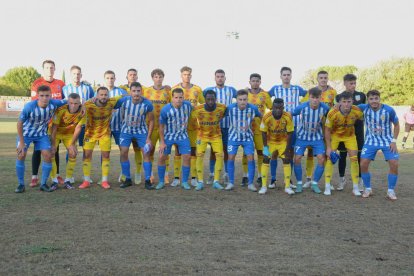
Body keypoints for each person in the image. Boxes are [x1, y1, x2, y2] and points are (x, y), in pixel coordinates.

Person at [15, 85, 66, 193]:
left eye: (47, 95)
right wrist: (21, 143)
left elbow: (69, 101)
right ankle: (21, 184)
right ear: (38, 96)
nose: (44, 98)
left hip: (41, 134)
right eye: (42, 95)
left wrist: (83, 105)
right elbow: (19, 123)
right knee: (21, 154)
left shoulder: (54, 103)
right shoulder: (29, 106)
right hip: (26, 134)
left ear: (50, 96)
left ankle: (43, 184)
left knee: (48, 155)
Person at [78, 87, 128, 189]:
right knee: (87, 156)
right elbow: (80, 106)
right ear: (97, 95)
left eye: (106, 95)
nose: (104, 97)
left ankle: (104, 181)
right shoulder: (89, 104)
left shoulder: (112, 101)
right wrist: (83, 105)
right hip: (90, 134)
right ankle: (86, 181)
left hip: (105, 134)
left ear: (108, 95)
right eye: (101, 94)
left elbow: (125, 95)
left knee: (106, 156)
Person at [268, 67, 307, 189]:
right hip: (277, 126)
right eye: (284, 74)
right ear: (280, 76)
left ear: (291, 76)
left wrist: (300, 107)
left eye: (288, 74)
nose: (286, 76)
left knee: (289, 153)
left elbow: (309, 95)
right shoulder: (276, 89)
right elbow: (264, 95)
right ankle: (273, 179)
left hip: (293, 125)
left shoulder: (297, 89)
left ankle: (288, 180)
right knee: (274, 153)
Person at [359, 90, 400, 200]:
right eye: (371, 99)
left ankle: (390, 191)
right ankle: (368, 188)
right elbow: (348, 106)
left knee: (394, 163)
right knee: (363, 164)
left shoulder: (388, 110)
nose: (374, 101)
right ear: (368, 100)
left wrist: (394, 141)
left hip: (387, 141)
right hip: (370, 141)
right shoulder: (363, 108)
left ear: (379, 99)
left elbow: (396, 125)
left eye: (376, 98)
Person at [30, 60, 65, 187]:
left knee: (54, 149)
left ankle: (56, 175)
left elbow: (66, 101)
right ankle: (34, 176)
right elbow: (35, 102)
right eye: (47, 67)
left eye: (52, 68)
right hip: (41, 123)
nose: (49, 70)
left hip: (56, 123)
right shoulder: (36, 83)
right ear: (43, 69)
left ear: (54, 69)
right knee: (38, 149)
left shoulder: (61, 84)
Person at [291, 87, 330, 194]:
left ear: (320, 98)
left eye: (317, 98)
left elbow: (332, 116)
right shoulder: (302, 107)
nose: (315, 100)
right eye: (312, 97)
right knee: (297, 158)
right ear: (309, 97)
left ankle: (315, 183)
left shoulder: (325, 108)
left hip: (317, 137)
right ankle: (299, 183)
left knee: (322, 159)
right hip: (302, 137)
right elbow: (290, 114)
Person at [324, 92, 363, 196]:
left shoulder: (357, 111)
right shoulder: (332, 113)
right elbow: (327, 130)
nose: (346, 104)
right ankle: (327, 186)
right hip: (335, 136)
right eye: (344, 102)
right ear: (339, 102)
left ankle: (355, 187)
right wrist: (328, 147)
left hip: (350, 136)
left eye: (349, 102)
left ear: (352, 102)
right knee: (330, 158)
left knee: (354, 159)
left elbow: (365, 120)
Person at [302, 71, 337, 187]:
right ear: (317, 79)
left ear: (328, 79)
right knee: (311, 153)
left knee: (327, 153)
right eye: (321, 78)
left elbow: (336, 107)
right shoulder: (311, 91)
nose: (323, 79)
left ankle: (328, 181)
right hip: (314, 128)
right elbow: (304, 105)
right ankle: (308, 179)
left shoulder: (332, 92)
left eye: (325, 78)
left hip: (327, 127)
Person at [171, 66, 204, 187]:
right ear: (181, 75)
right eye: (185, 74)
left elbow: (202, 104)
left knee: (193, 152)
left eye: (189, 74)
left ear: (191, 75)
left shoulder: (197, 89)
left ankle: (194, 177)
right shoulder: (174, 89)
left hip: (194, 126)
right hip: (178, 127)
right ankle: (176, 178)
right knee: (178, 152)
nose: (187, 76)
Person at [118, 82, 155, 190]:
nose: (136, 93)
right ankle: (127, 179)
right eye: (134, 91)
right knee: (123, 152)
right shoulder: (123, 101)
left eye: (138, 91)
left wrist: (148, 137)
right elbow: (110, 104)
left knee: (146, 153)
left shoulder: (147, 103)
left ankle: (148, 180)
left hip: (141, 130)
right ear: (130, 92)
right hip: (126, 130)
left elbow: (152, 120)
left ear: (141, 91)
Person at [203, 69, 237, 185]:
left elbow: (241, 100)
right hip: (213, 127)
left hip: (228, 126)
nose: (220, 78)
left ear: (225, 78)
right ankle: (212, 174)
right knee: (213, 151)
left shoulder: (231, 90)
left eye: (222, 76)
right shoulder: (208, 91)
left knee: (227, 151)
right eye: (218, 76)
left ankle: (226, 174)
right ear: (215, 78)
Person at [156, 88, 193, 190]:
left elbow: (197, 112)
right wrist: (162, 142)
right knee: (161, 157)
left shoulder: (188, 106)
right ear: (172, 98)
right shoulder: (165, 109)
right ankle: (161, 181)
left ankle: (184, 181)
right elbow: (161, 127)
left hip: (183, 135)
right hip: (168, 136)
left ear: (183, 97)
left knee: (187, 157)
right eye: (176, 97)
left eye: (180, 97)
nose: (178, 100)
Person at [225, 89, 262, 191]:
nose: (242, 102)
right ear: (236, 100)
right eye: (240, 99)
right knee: (231, 158)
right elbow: (220, 116)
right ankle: (231, 183)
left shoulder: (253, 108)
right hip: (233, 137)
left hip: (247, 137)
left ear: (247, 99)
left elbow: (262, 116)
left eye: (244, 99)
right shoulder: (230, 108)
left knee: (250, 158)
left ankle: (250, 183)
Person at [336, 74, 366, 191]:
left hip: (358, 131)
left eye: (354, 83)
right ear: (345, 83)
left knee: (359, 156)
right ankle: (342, 179)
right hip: (343, 131)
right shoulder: (338, 96)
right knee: (342, 155)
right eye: (350, 83)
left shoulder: (361, 96)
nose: (353, 85)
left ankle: (360, 181)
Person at [192, 90, 226, 190]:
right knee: (199, 156)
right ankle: (200, 182)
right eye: (208, 99)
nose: (211, 101)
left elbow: (223, 115)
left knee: (219, 156)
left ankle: (216, 181)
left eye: (213, 99)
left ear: (215, 99)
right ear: (205, 100)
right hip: (202, 136)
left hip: (216, 135)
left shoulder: (222, 108)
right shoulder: (198, 109)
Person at [259, 98, 294, 195]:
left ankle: (287, 186)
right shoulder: (267, 117)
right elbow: (263, 132)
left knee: (286, 159)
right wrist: (265, 147)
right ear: (272, 107)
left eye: (280, 108)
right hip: (270, 141)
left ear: (283, 108)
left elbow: (290, 133)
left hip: (283, 141)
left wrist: (287, 149)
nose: (278, 110)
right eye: (276, 108)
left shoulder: (287, 117)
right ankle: (263, 186)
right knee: (266, 159)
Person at [50, 93, 85, 190]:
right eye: (71, 103)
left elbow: (78, 128)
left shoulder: (83, 112)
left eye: (76, 103)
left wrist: (72, 144)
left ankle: (68, 180)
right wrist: (53, 145)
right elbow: (54, 128)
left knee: (73, 153)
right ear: (68, 102)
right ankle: (54, 181)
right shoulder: (61, 110)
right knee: (51, 153)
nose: (73, 105)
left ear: (80, 103)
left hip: (69, 134)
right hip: (56, 133)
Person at [143, 69, 172, 184]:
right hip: (151, 125)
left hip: (165, 126)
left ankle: (165, 175)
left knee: (165, 151)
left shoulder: (168, 91)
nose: (158, 79)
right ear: (152, 78)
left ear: (163, 78)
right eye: (156, 77)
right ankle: (150, 175)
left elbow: (172, 106)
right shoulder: (147, 91)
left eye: (160, 76)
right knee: (150, 151)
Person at [244, 73, 272, 186]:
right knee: (247, 154)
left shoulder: (264, 94)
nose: (255, 82)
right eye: (253, 81)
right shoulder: (245, 94)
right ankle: (245, 176)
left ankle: (260, 176)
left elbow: (271, 109)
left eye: (257, 81)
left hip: (260, 129)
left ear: (260, 82)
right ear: (249, 82)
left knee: (261, 153)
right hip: (247, 129)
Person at [102, 70, 128, 182]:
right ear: (104, 79)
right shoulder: (100, 92)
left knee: (123, 151)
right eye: (107, 78)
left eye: (112, 78)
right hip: (105, 128)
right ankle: (104, 177)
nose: (110, 80)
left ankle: (124, 174)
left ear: (115, 79)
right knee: (104, 152)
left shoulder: (121, 91)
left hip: (119, 127)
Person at [119, 68, 144, 183]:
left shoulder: (141, 88)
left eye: (135, 74)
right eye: (130, 74)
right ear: (127, 76)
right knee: (123, 151)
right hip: (125, 127)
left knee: (137, 149)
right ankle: (124, 174)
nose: (132, 76)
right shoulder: (121, 89)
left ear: (137, 77)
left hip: (139, 127)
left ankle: (138, 172)